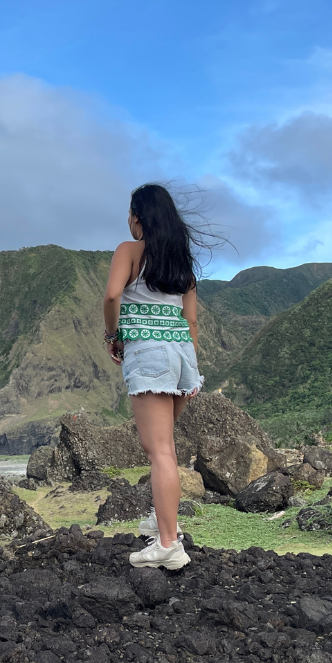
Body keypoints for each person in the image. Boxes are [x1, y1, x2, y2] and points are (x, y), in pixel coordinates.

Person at [103, 183, 206, 570]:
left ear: (139, 219)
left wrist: (113, 336)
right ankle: (162, 523)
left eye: (131, 215)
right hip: (182, 357)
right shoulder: (182, 263)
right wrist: (189, 371)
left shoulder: (129, 251)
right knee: (164, 449)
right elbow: (191, 321)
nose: (128, 222)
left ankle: (168, 544)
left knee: (160, 452)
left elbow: (112, 296)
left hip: (148, 356)